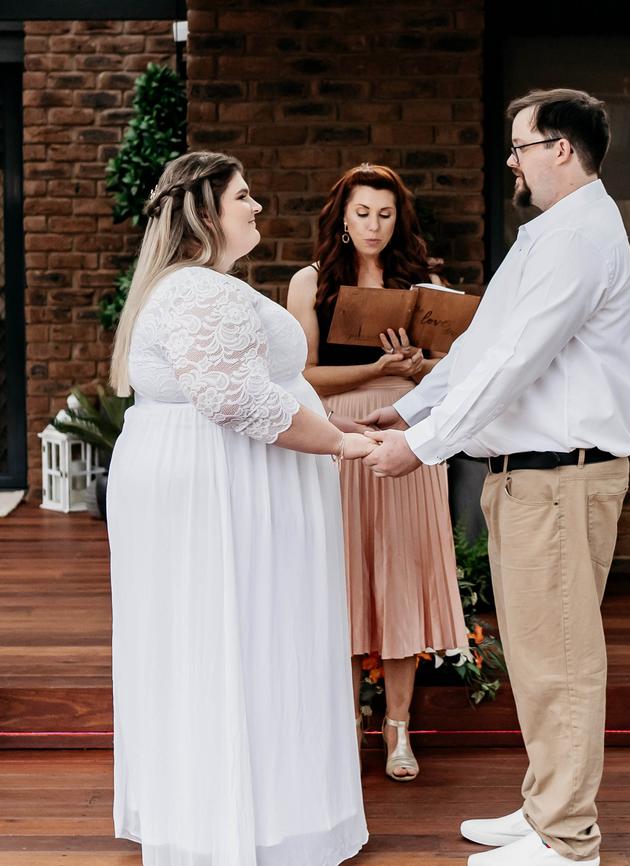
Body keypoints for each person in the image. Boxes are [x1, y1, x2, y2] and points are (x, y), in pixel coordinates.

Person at [362, 90, 630, 866]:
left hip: (558, 478)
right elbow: (487, 344)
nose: (511, 161)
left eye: (519, 146)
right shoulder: (550, 234)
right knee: (537, 656)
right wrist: (411, 412)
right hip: (529, 479)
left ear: (560, 148)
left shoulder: (582, 238)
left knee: (560, 662)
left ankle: (567, 838)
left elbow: (517, 366)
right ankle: (545, 806)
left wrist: (425, 449)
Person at [106, 151, 372, 866]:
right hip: (221, 489)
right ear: (204, 212)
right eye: (244, 196)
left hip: (225, 477)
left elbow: (252, 386)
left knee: (245, 635)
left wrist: (340, 429)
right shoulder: (197, 291)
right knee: (237, 633)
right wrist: (338, 445)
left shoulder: (200, 287)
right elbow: (237, 400)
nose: (258, 206)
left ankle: (251, 807)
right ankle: (238, 822)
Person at [287, 164, 467, 783]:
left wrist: (419, 368)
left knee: (400, 572)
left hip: (407, 436)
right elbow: (302, 375)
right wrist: (372, 371)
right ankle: (336, 726)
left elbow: (454, 366)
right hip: (339, 436)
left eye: (385, 214)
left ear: (400, 219)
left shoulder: (427, 282)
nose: (373, 225)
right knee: (338, 573)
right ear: (342, 215)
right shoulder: (309, 283)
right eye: (362, 213)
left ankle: (397, 727)